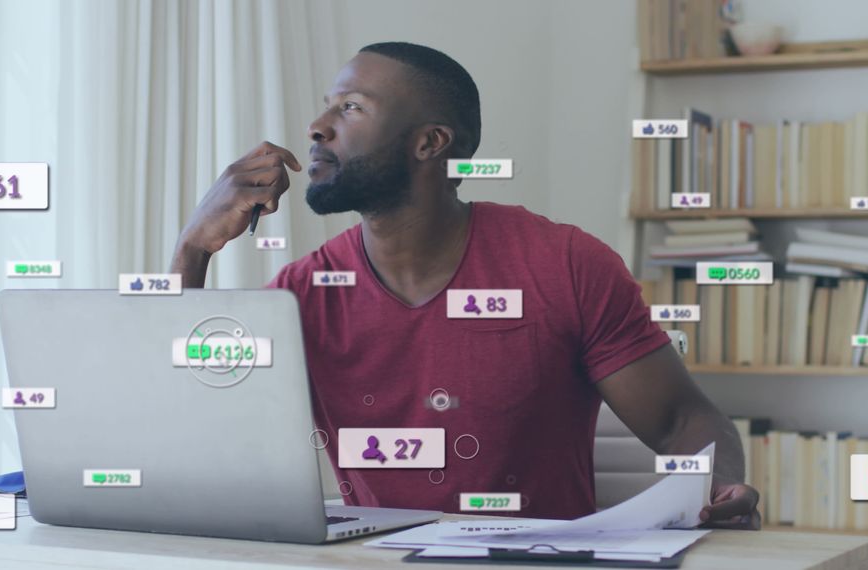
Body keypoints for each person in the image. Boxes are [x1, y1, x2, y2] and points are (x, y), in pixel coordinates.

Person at [170, 41, 759, 527]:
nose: (317, 128)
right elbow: (199, 432)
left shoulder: (566, 264)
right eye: (328, 107)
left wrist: (724, 486)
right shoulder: (301, 293)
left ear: (430, 143)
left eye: (350, 108)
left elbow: (682, 420)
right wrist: (193, 249)